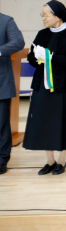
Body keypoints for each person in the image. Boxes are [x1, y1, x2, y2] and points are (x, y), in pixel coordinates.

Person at [23, 1, 66, 175]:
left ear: (57, 16)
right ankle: (50, 161)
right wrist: (38, 57)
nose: (43, 18)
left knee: (64, 122)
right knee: (44, 122)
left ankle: (62, 160)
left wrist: (51, 56)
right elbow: (31, 58)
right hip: (43, 85)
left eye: (45, 15)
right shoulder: (42, 34)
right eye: (42, 15)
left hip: (65, 86)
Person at [0, 12, 25, 175]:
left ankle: (1, 160)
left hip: (1, 82)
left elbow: (18, 42)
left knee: (1, 124)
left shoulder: (6, 21)